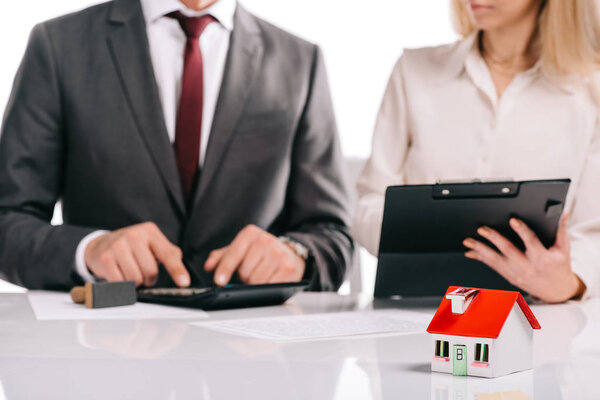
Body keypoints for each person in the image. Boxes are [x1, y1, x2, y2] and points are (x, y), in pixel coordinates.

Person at [0, 0, 353, 291]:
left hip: (254, 351)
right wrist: (88, 250)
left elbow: (332, 234)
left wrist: (293, 254)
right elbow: (8, 221)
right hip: (106, 349)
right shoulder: (59, 46)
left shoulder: (300, 61)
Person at [353, 0, 600, 303]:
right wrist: (422, 237)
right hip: (420, 315)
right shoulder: (414, 72)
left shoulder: (591, 92)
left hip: (541, 318)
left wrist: (570, 281)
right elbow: (370, 202)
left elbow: (594, 231)